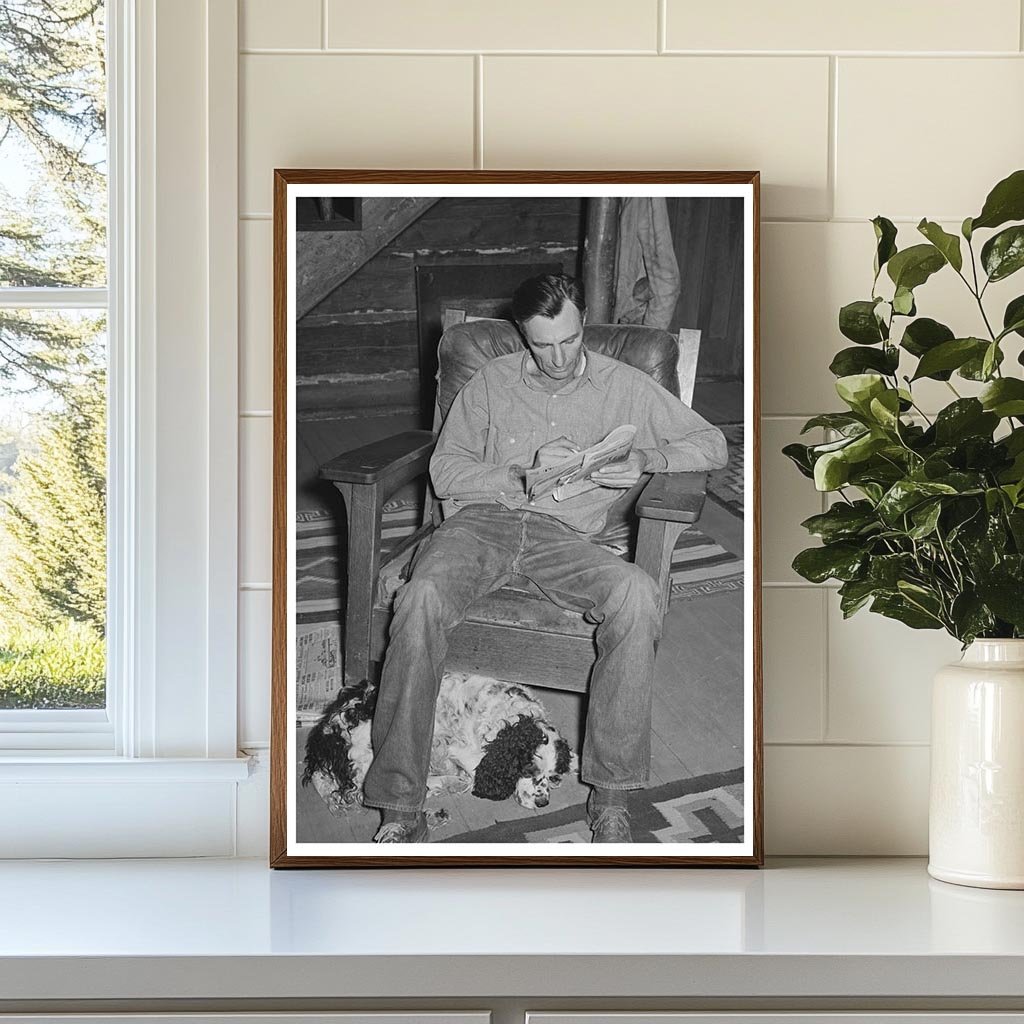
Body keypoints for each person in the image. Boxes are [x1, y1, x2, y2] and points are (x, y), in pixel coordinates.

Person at [362, 273, 728, 843]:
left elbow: (712, 443)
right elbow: (445, 468)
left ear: (583, 322)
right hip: (480, 523)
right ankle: (398, 799)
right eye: (542, 344)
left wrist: (645, 461)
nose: (559, 357)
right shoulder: (490, 382)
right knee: (422, 597)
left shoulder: (624, 384)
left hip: (567, 538)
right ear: (522, 335)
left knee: (636, 594)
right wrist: (518, 474)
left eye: (571, 339)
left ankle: (611, 795)